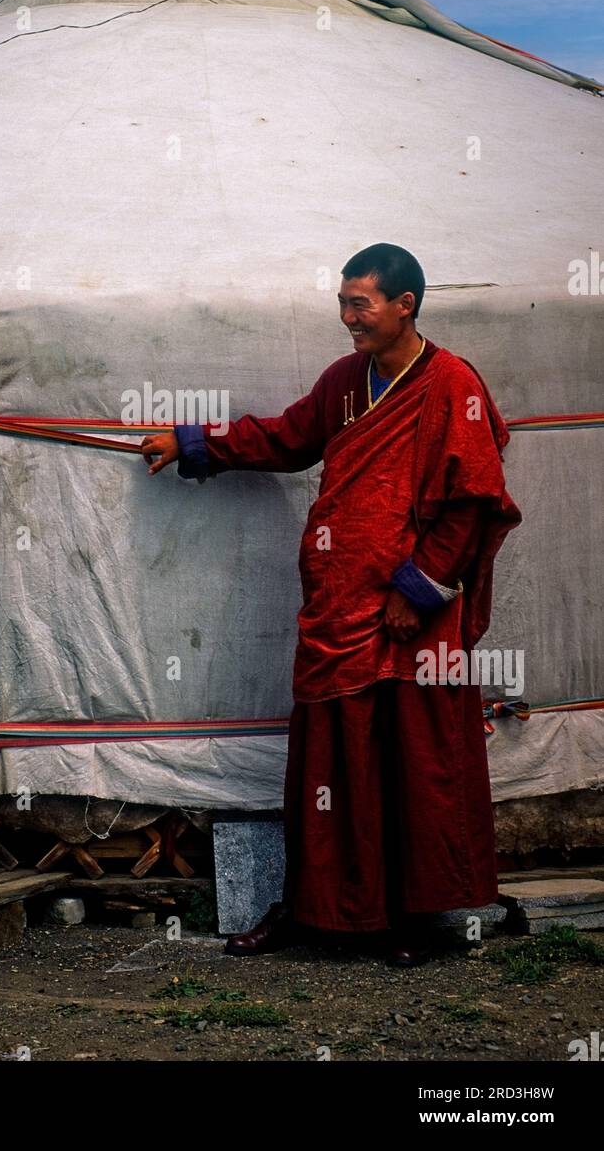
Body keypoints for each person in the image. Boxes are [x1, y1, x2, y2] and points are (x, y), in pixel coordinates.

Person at [140, 243, 521, 966]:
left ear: (405, 305)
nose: (347, 318)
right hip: (340, 609)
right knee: (327, 768)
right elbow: (287, 437)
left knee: (405, 764)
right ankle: (321, 912)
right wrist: (194, 443)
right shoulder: (347, 381)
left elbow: (472, 504)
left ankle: (410, 920)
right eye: (343, 304)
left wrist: (417, 592)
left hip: (410, 616)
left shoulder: (450, 385)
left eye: (360, 305)